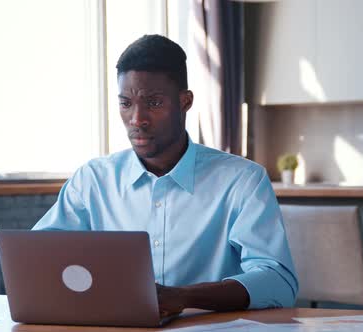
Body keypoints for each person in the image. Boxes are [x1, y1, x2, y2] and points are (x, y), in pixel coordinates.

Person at [33, 34, 298, 317]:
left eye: (154, 103)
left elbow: (278, 282)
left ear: (185, 101)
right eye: (126, 104)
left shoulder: (243, 180)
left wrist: (184, 297)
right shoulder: (92, 180)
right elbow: (38, 258)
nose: (137, 119)